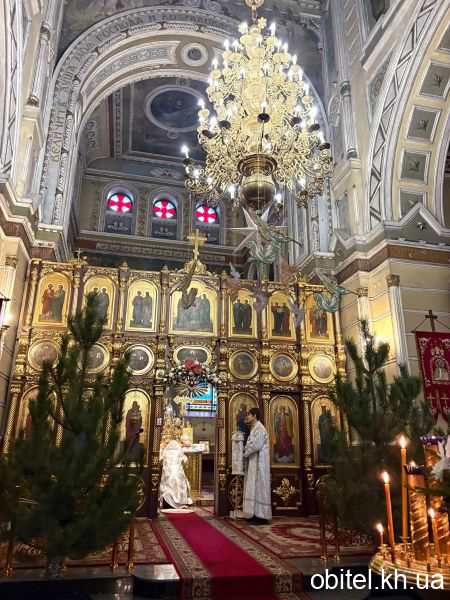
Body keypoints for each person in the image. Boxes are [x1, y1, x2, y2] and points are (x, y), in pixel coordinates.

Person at [243, 407, 272, 525]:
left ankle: (262, 516)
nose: (247, 417)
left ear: (254, 415)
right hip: (254, 462)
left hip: (260, 463)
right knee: (254, 487)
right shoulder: (254, 428)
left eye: (249, 414)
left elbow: (256, 445)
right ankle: (254, 514)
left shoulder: (259, 428)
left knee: (260, 487)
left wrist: (244, 453)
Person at [159, 435, 193, 509]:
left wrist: (161, 449)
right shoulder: (179, 451)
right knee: (180, 485)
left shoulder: (165, 451)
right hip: (177, 473)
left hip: (167, 474)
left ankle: (167, 503)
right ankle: (179, 502)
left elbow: (159, 459)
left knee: (167, 487)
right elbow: (185, 460)